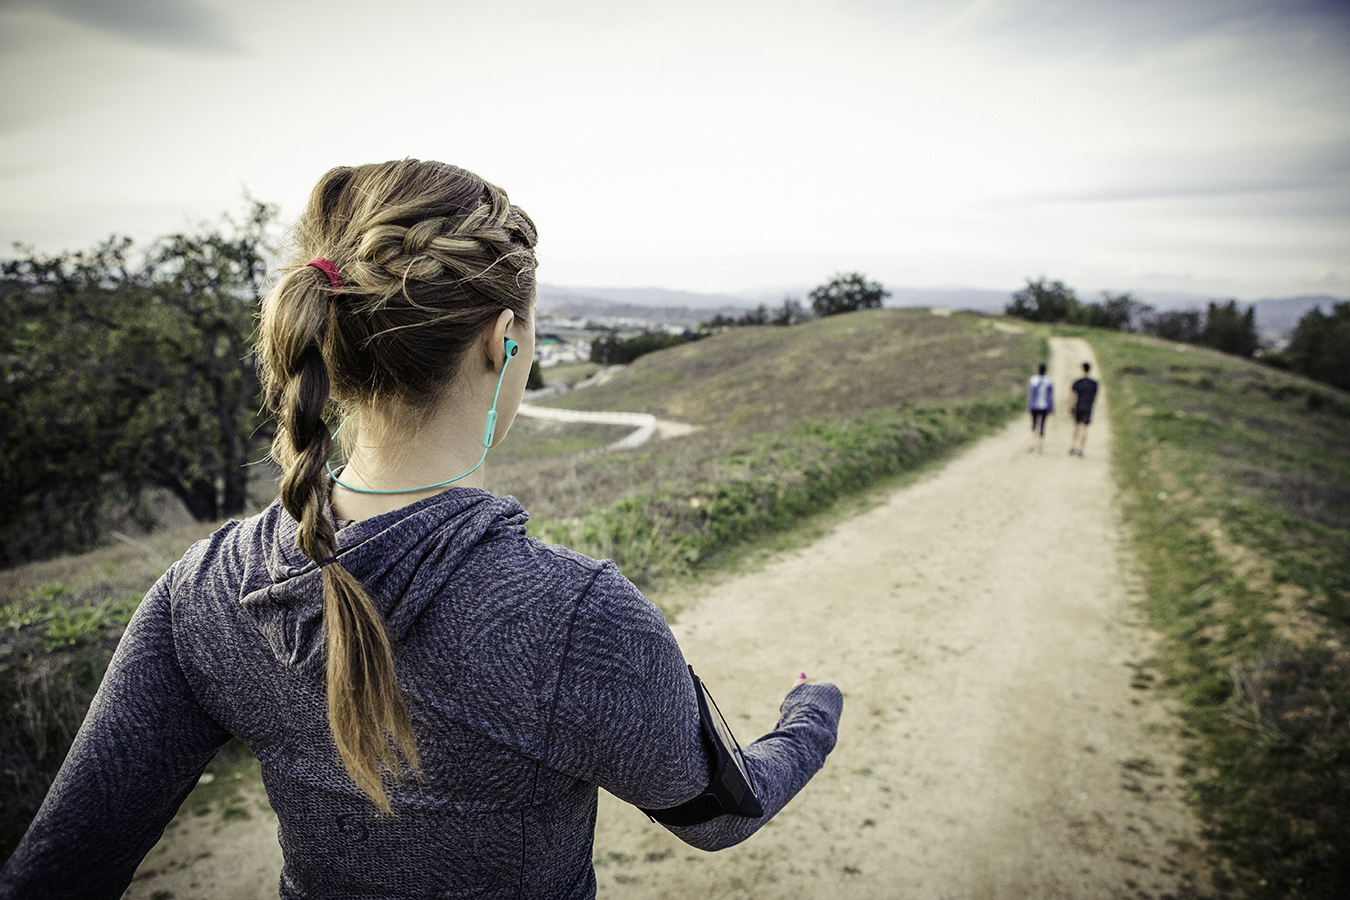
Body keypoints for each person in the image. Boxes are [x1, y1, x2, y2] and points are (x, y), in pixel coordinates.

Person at [0, 160, 843, 899]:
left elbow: (59, 868)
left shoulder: (208, 590)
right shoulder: (580, 620)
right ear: (500, 340)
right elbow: (720, 815)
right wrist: (810, 715)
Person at [1070, 361, 1099, 457]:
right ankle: (1080, 449)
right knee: (1084, 428)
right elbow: (1095, 397)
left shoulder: (1077, 382)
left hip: (1078, 406)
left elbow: (1073, 396)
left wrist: (1071, 407)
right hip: (1087, 406)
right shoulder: (1093, 384)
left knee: (1076, 426)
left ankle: (1073, 445)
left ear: (1082, 369)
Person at [1027, 362, 1053, 454]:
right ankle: (1039, 447)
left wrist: (1028, 407)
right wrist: (1051, 408)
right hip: (1044, 406)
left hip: (1034, 405)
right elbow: (1050, 396)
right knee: (1042, 426)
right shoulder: (1049, 381)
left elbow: (1030, 395)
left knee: (1033, 425)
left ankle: (1032, 443)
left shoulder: (1033, 380)